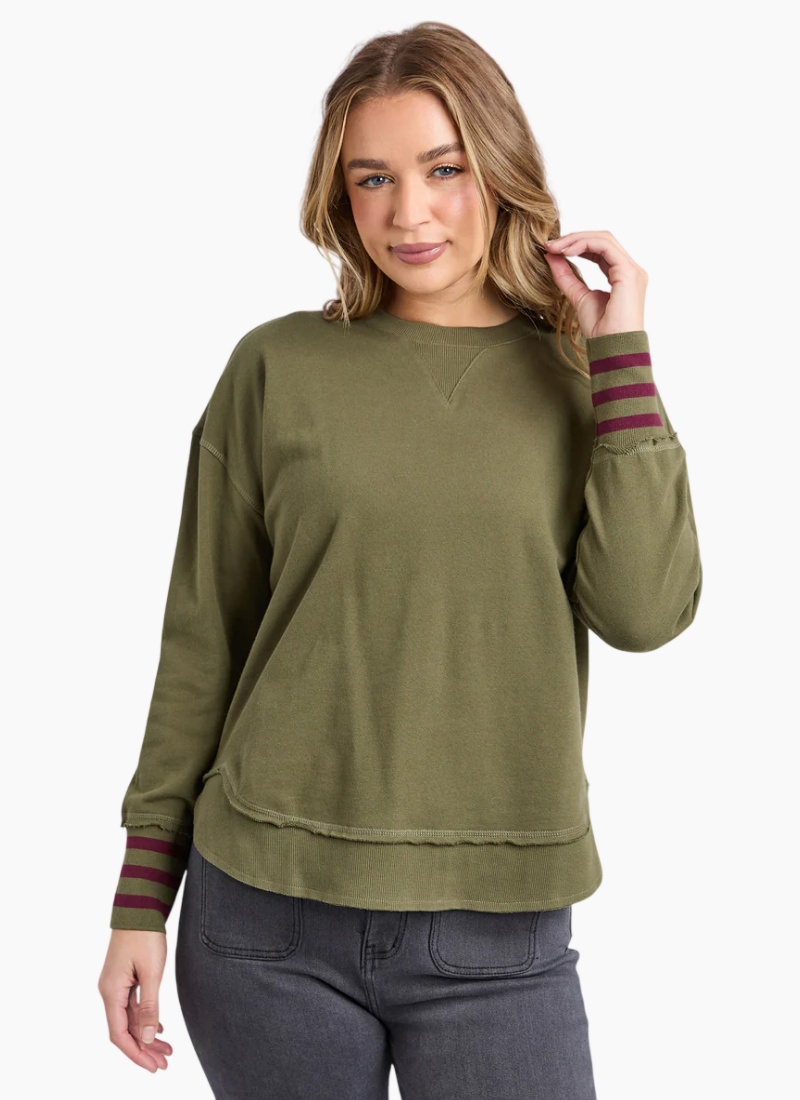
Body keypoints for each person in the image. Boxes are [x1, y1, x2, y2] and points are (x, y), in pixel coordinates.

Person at [97, 20, 702, 1100]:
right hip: (263, 921)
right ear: (339, 196)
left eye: (443, 169)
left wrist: (619, 349)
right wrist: (141, 895)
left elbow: (644, 612)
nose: (407, 213)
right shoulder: (276, 367)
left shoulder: (581, 379)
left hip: (499, 932)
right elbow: (203, 639)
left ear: (499, 168)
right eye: (371, 178)